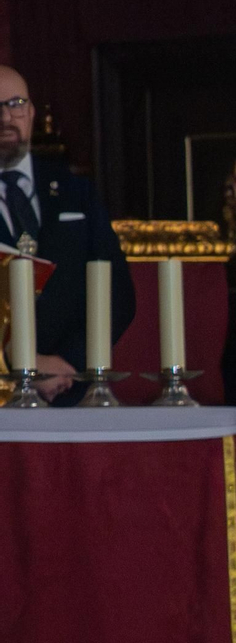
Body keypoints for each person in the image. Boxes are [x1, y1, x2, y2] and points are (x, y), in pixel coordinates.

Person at [0, 65, 134, 404]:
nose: (5, 117)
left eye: (15, 104)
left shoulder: (76, 192)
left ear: (31, 112)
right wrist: (20, 364)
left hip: (72, 388)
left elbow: (117, 292)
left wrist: (68, 363)